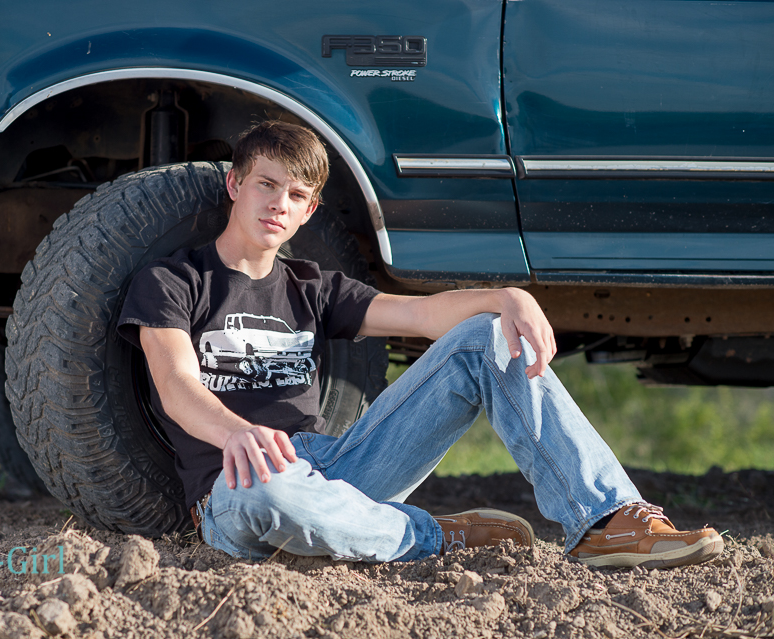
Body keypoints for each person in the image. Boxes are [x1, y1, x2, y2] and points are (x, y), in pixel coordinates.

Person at [117, 120, 723, 568]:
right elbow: (176, 385)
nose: (278, 204)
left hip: (333, 467)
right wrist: (235, 433)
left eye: (296, 195)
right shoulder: (173, 281)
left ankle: (605, 519)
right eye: (266, 185)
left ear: (309, 211)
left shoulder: (312, 287)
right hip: (235, 486)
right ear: (234, 184)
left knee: (485, 338)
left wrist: (505, 297)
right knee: (272, 494)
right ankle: (435, 536)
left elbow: (427, 315)